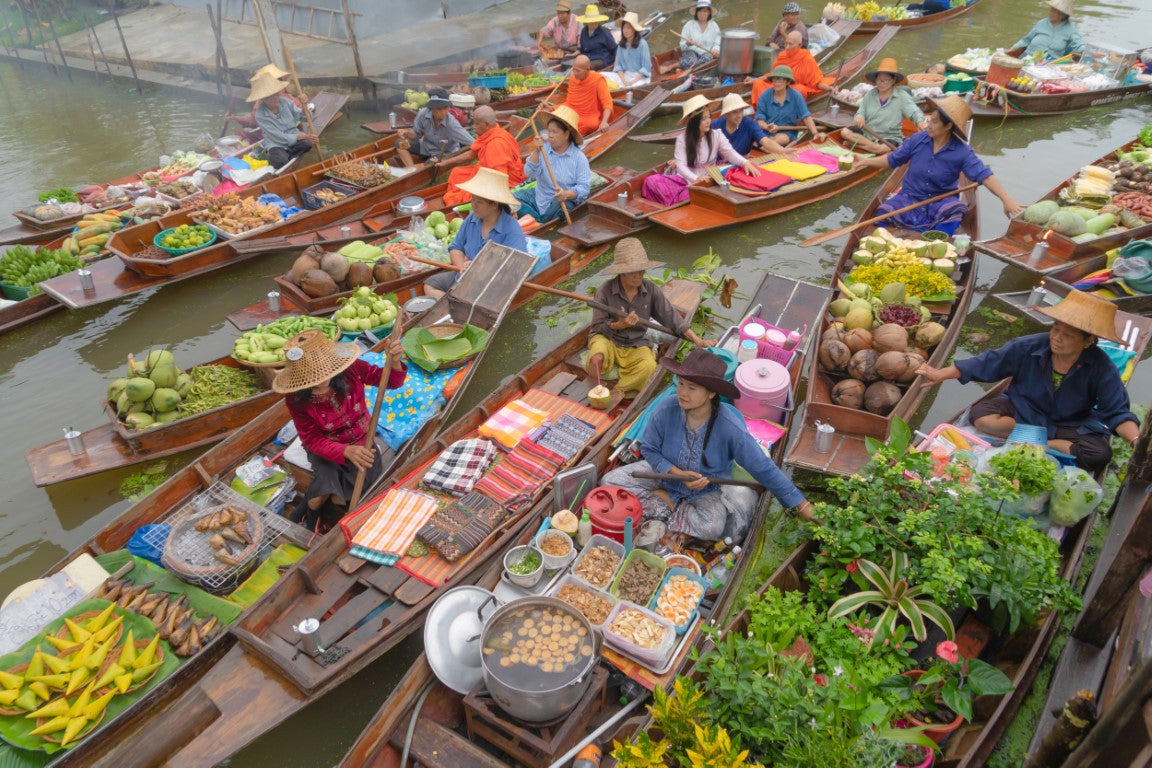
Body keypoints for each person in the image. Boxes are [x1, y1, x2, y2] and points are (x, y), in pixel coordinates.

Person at [602, 348, 814, 547]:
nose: (682, 393)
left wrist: (802, 505)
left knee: (712, 526)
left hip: (705, 490)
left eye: (692, 388)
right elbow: (649, 450)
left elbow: (762, 468)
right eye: (681, 384)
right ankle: (668, 503)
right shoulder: (666, 408)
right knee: (610, 481)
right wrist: (677, 473)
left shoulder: (729, 425)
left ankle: (666, 506)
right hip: (663, 475)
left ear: (711, 393)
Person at [916, 290, 1139, 471]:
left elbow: (1116, 411)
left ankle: (1038, 443)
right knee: (981, 416)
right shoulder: (1028, 346)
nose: (1056, 338)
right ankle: (1037, 438)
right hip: (1022, 408)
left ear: (1088, 341)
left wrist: (1136, 441)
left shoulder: (1101, 366)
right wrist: (938, 374)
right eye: (1055, 329)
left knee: (1099, 454)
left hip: (1068, 422)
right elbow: (987, 362)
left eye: (1068, 335)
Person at [276, 330, 407, 531]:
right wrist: (344, 451)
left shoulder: (351, 369)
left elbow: (390, 381)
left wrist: (395, 361)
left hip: (363, 439)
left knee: (346, 494)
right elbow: (311, 439)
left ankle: (311, 512)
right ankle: (309, 518)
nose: (321, 380)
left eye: (324, 371)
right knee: (323, 487)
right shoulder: (295, 398)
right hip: (325, 447)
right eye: (312, 376)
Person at [857, 95, 1023, 233]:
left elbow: (985, 176)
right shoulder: (917, 140)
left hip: (940, 201)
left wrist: (1007, 201)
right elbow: (891, 159)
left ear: (948, 126)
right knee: (884, 212)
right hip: (910, 197)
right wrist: (865, 161)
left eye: (934, 122)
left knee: (955, 212)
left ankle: (934, 238)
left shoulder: (961, 151)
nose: (928, 125)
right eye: (929, 120)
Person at [586, 239, 714, 394]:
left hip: (636, 342)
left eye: (641, 270)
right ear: (621, 273)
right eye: (633, 272)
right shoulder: (604, 291)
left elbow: (672, 318)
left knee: (649, 367)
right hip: (609, 339)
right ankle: (596, 389)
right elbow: (598, 327)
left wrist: (697, 340)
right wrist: (619, 325)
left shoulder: (651, 290)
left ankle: (619, 390)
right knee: (596, 357)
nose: (639, 275)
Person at [641, 94, 763, 206]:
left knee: (690, 195)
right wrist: (695, 178)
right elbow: (681, 166)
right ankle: (678, 201)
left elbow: (729, 152)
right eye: (704, 118)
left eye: (709, 117)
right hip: (684, 179)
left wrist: (745, 162)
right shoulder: (682, 139)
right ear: (694, 122)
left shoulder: (717, 135)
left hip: (707, 179)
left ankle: (677, 201)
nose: (709, 121)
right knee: (650, 181)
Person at [424, 167, 527, 299]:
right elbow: (456, 247)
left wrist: (479, 270)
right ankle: (452, 303)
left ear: (494, 204)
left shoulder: (512, 230)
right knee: (429, 285)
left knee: (470, 297)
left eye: (479, 202)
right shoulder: (472, 218)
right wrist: (463, 268)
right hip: (465, 277)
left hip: (490, 284)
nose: (473, 205)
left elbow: (514, 270)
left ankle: (453, 303)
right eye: (473, 200)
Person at [515, 105, 592, 223]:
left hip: (560, 201)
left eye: (554, 132)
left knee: (562, 207)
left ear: (566, 134)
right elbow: (529, 173)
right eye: (548, 131)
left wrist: (565, 194)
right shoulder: (544, 149)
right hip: (540, 197)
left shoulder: (579, 158)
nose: (550, 135)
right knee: (512, 200)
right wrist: (536, 150)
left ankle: (534, 221)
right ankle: (539, 222)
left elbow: (584, 188)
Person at [440, 105, 525, 207]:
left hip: (500, 180)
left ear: (486, 124)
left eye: (476, 124)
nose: (473, 127)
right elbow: (471, 155)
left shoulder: (496, 144)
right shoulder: (488, 133)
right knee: (457, 173)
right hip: (486, 172)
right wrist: (447, 162)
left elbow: (500, 178)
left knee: (463, 196)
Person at [839, 58, 926, 154]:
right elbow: (861, 111)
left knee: (881, 149)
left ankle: (857, 145)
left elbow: (914, 112)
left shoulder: (902, 96)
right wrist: (859, 117)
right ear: (875, 80)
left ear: (893, 80)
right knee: (844, 132)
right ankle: (870, 147)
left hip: (888, 136)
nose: (882, 83)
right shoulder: (870, 94)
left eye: (886, 80)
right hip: (867, 133)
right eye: (879, 80)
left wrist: (920, 122)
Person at [246, 73, 316, 170]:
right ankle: (275, 156)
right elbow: (277, 136)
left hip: (294, 136)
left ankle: (288, 156)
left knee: (308, 144)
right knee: (281, 161)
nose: (276, 98)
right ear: (264, 99)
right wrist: (300, 136)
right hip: (276, 142)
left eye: (276, 94)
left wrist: (305, 106)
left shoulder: (285, 101)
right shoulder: (260, 114)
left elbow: (304, 117)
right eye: (271, 96)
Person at [753, 65, 828, 147]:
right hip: (765, 131)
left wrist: (815, 133)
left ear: (788, 82)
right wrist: (768, 127)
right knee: (755, 139)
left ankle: (766, 147)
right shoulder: (765, 95)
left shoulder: (796, 96)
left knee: (781, 139)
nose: (777, 82)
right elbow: (759, 119)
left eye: (780, 79)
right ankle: (766, 146)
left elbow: (806, 116)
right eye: (775, 79)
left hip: (786, 132)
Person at [398, 89, 474, 167]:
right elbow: (416, 134)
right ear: (432, 108)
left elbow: (473, 143)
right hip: (427, 147)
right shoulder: (423, 113)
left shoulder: (451, 124)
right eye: (439, 109)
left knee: (429, 166)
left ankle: (416, 170)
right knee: (399, 143)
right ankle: (410, 168)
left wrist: (451, 159)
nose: (443, 112)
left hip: (443, 153)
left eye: (445, 108)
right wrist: (407, 133)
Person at [754, 30, 832, 102]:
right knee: (758, 83)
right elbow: (772, 75)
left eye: (790, 44)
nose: (787, 47)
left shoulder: (807, 58)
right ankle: (765, 106)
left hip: (792, 89)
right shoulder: (783, 55)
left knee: (800, 89)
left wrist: (829, 88)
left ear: (799, 45)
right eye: (786, 43)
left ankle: (783, 107)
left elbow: (816, 82)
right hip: (777, 86)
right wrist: (755, 79)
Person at [712, 93, 791, 156]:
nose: (739, 115)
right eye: (734, 112)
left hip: (743, 163)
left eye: (741, 111)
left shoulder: (749, 124)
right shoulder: (715, 125)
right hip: (718, 165)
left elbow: (765, 141)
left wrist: (783, 151)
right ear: (726, 114)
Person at [1009, 0, 1084, 60]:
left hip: (1050, 63)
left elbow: (1080, 47)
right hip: (1029, 57)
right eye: (1051, 10)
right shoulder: (1041, 23)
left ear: (1063, 14)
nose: (1051, 13)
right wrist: (1012, 49)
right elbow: (1026, 40)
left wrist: (1088, 54)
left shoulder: (1070, 29)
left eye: (1055, 11)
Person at [563, 54, 614, 135]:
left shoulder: (598, 80)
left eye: (578, 71)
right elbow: (570, 102)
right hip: (573, 111)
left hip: (590, 115)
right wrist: (551, 108)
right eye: (573, 69)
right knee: (555, 114)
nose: (574, 73)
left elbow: (607, 103)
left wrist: (604, 122)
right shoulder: (573, 78)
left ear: (587, 69)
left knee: (590, 124)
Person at [611, 12, 652, 87]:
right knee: (601, 76)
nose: (625, 30)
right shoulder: (621, 45)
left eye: (629, 28)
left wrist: (631, 82)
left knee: (630, 88)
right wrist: (624, 81)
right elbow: (618, 65)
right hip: (626, 75)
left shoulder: (643, 44)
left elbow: (646, 67)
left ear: (634, 29)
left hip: (640, 77)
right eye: (624, 28)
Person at [679, 0, 721, 70]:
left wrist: (715, 50)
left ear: (709, 13)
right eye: (700, 11)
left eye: (705, 11)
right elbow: (682, 46)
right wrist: (687, 43)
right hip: (691, 51)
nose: (702, 14)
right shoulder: (689, 25)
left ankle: (683, 67)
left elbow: (717, 43)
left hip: (706, 53)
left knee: (708, 58)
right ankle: (679, 65)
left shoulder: (714, 25)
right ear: (696, 12)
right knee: (691, 61)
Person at [577, 4, 617, 70]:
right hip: (586, 58)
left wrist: (616, 63)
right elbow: (582, 48)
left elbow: (614, 48)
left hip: (601, 59)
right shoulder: (584, 31)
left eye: (596, 21)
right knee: (574, 64)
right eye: (592, 21)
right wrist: (576, 53)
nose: (594, 23)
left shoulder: (605, 32)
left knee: (586, 67)